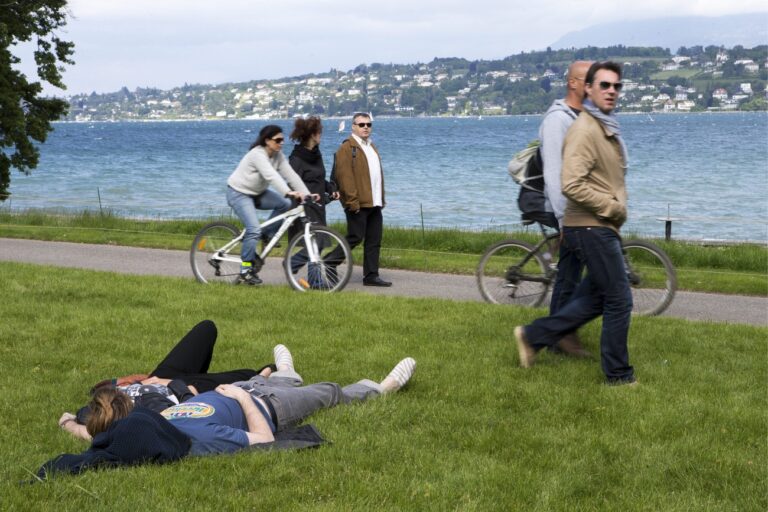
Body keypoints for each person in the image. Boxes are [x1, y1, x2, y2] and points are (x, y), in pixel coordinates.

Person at [514, 61, 636, 386]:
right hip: (586, 221)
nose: (611, 91)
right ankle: (618, 375)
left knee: (597, 295)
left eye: (616, 86)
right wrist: (601, 209)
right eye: (602, 85)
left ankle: (537, 335)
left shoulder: (598, 123)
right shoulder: (572, 124)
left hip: (596, 222)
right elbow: (564, 180)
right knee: (617, 298)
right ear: (583, 86)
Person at [82, 345, 416, 455]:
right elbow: (263, 439)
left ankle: (287, 372)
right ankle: (383, 388)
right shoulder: (193, 439)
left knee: (261, 377)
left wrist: (70, 422)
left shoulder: (162, 419)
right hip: (270, 408)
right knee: (328, 391)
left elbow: (101, 436)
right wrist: (242, 398)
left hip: (249, 390)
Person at [58, 320, 274, 441]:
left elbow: (83, 419)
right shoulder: (140, 421)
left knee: (206, 328)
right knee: (251, 373)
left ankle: (262, 374)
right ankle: (265, 376)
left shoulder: (88, 412)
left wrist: (142, 382)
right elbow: (93, 436)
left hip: (157, 378)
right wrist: (176, 387)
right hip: (182, 389)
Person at [537, 60, 593, 359]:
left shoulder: (582, 115)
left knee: (571, 273)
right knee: (579, 273)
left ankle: (554, 333)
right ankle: (555, 333)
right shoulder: (557, 120)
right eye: (589, 79)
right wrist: (562, 217)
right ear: (573, 83)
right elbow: (555, 172)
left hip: (583, 209)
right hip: (568, 210)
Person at [226, 124, 314, 285]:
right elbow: (271, 175)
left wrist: (306, 194)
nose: (281, 143)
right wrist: (288, 192)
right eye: (278, 140)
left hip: (257, 193)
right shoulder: (257, 154)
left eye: (283, 140)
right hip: (238, 193)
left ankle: (265, 234)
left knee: (285, 205)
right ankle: (246, 270)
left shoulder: (278, 156)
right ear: (267, 140)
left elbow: (291, 175)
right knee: (253, 229)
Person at [330, 112, 392, 287]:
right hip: (357, 202)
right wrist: (352, 202)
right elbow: (345, 177)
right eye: (361, 124)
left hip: (374, 202)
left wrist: (381, 199)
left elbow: (375, 176)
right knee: (355, 237)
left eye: (368, 124)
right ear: (353, 127)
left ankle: (371, 275)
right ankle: (330, 261)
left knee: (374, 240)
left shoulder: (371, 147)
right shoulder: (347, 148)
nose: (366, 127)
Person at [286, 116, 340, 284]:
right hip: (305, 205)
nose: (321, 135)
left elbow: (319, 178)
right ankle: (295, 266)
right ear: (312, 135)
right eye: (319, 132)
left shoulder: (316, 154)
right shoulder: (296, 159)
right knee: (316, 242)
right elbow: (291, 184)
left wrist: (331, 189)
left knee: (319, 243)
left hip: (319, 205)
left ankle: (312, 278)